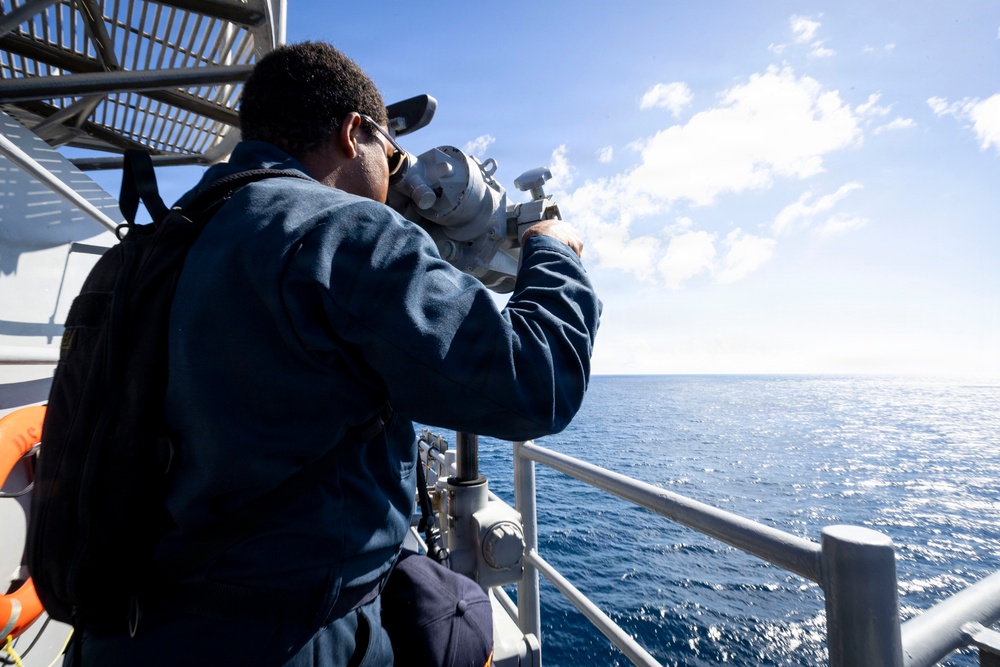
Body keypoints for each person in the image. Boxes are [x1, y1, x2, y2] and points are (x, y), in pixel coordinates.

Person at [69, 41, 600, 666]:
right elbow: (538, 380)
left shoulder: (148, 246)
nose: (395, 180)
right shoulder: (338, 229)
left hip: (121, 626)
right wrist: (554, 252)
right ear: (355, 134)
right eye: (391, 155)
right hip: (282, 640)